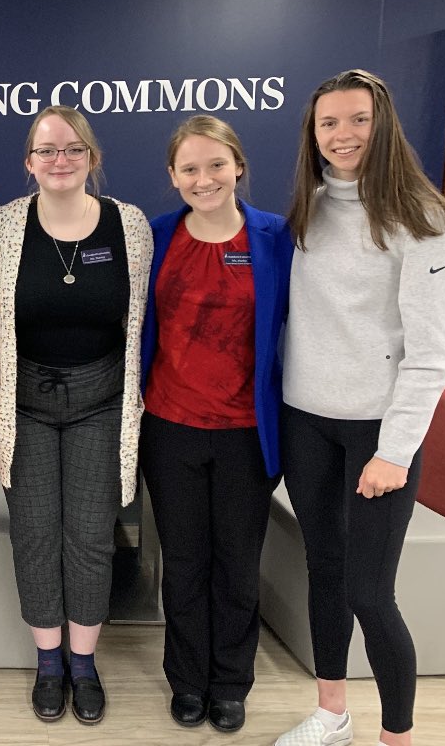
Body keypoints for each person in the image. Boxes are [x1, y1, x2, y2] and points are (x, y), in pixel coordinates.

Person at [276, 69, 445, 746]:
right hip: (305, 422)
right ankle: (332, 712)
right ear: (312, 133)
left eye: (356, 119)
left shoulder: (426, 220)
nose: (342, 134)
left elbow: (429, 353)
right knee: (323, 575)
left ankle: (397, 736)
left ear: (381, 123)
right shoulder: (307, 208)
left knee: (368, 594)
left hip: (377, 435)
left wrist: (394, 450)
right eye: (328, 122)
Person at [0, 105, 153, 725]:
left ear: (92, 158)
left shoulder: (129, 228)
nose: (60, 160)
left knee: (88, 537)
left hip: (101, 403)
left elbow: (141, 322)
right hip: (25, 407)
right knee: (35, 536)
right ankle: (49, 663)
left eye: (73, 149)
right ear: (29, 163)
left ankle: (83, 662)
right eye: (47, 150)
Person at [138, 115, 293, 733]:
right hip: (169, 427)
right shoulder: (155, 238)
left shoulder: (276, 237)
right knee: (184, 562)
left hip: (244, 433)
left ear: (239, 167)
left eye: (216, 165)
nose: (205, 179)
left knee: (236, 561)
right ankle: (187, 681)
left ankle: (230, 682)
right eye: (190, 169)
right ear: (173, 177)